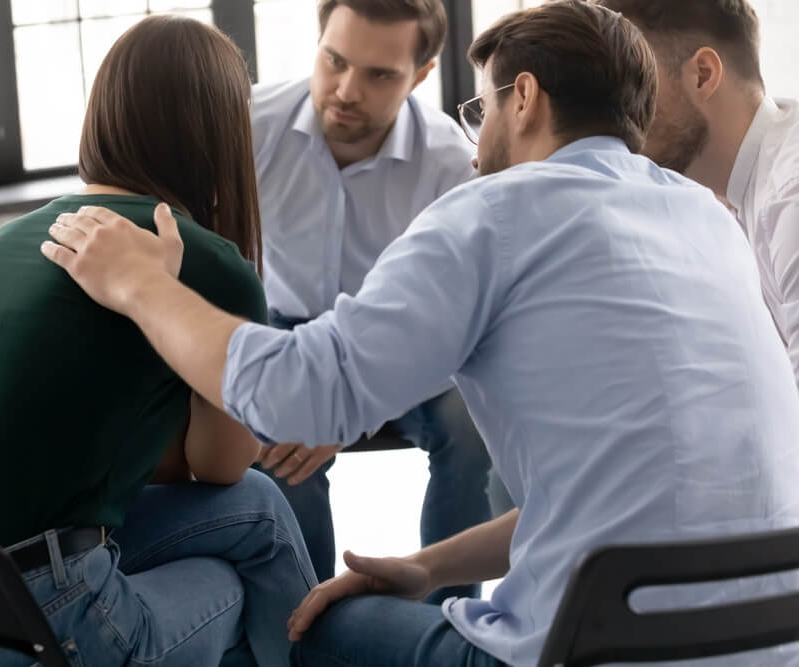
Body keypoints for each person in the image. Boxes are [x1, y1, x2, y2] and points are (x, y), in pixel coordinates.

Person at [42, 2, 799, 665]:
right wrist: (427, 567)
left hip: (583, 647)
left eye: (482, 109)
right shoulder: (710, 220)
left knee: (304, 627)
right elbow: (618, 495)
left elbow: (293, 393)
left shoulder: (492, 209)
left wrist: (139, 285)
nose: (477, 140)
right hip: (767, 638)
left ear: (525, 97)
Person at [0, 15, 316, 667]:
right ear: (221, 135)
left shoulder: (6, 240)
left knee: (259, 508)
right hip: (27, 630)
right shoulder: (205, 259)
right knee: (233, 583)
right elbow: (223, 462)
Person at [251, 0, 498, 599]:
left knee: (474, 427)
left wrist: (352, 399)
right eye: (334, 60)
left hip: (407, 340)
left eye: (379, 74)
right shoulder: (249, 124)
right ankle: (303, 625)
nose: (345, 89)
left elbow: (458, 320)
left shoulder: (450, 163)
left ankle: (446, 624)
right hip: (291, 330)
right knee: (278, 441)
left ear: (420, 75)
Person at [594, 0, 799, 391]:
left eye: (635, 87)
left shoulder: (789, 193)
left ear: (703, 75)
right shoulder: (738, 196)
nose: (620, 118)